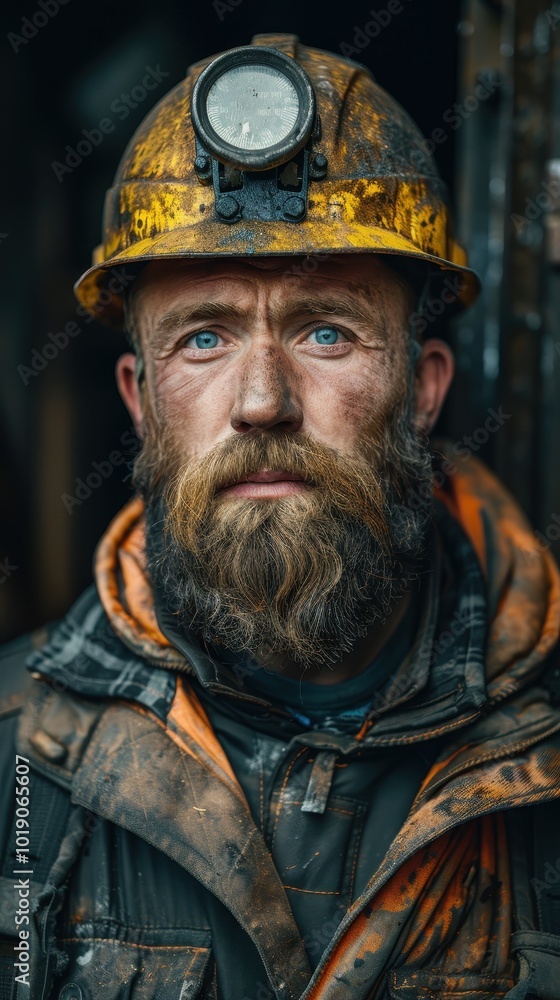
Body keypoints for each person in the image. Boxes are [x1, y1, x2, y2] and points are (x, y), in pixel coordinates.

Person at [1, 32, 560, 1000]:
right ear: (137, 397)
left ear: (424, 388)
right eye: (205, 335)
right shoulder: (14, 746)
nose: (261, 400)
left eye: (325, 330)